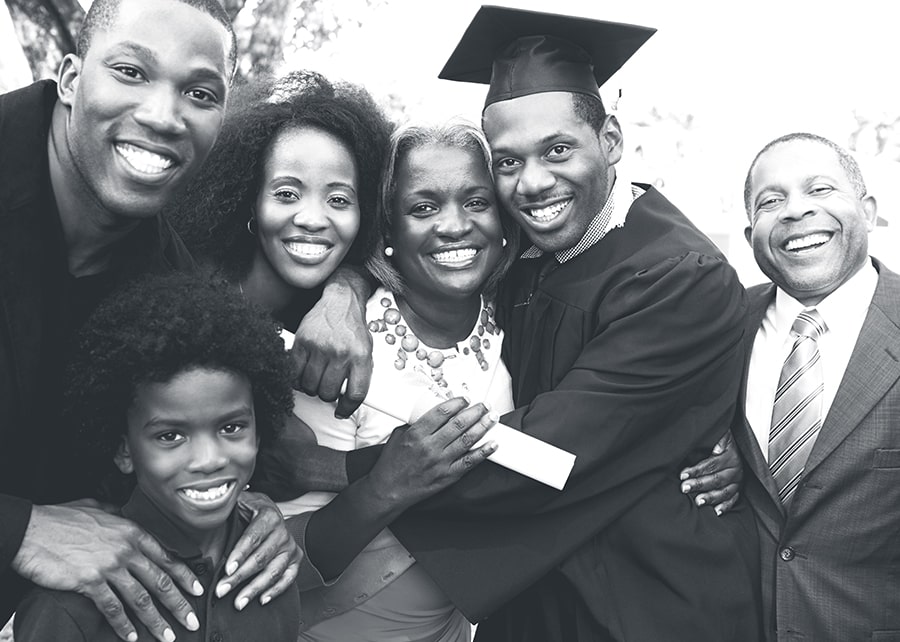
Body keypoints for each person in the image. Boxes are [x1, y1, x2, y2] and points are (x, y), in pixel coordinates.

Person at [267, 6, 762, 641]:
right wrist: (344, 288)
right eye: (506, 162)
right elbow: (422, 257)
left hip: (642, 605)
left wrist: (338, 472)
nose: (532, 183)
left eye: (557, 150)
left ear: (610, 140)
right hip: (532, 605)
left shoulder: (677, 277)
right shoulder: (529, 257)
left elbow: (551, 456)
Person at [0, 1, 299, 639]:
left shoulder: (167, 282)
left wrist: (244, 511)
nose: (164, 116)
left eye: (199, 91)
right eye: (132, 72)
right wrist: (17, 526)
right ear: (72, 77)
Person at [278, 121, 518, 641]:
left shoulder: (520, 327)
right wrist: (386, 488)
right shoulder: (343, 345)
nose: (454, 226)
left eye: (476, 201)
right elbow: (281, 552)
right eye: (423, 208)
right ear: (387, 230)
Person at [14, 274, 306, 641]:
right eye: (170, 436)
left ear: (260, 430)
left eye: (231, 428)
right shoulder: (71, 607)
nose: (208, 459)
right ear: (124, 450)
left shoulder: (273, 568)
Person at [727, 132, 900, 639]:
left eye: (820, 190)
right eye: (771, 201)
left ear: (867, 210)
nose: (795, 212)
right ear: (749, 232)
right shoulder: (718, 328)